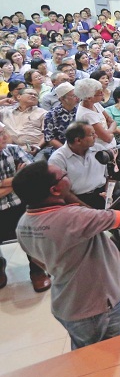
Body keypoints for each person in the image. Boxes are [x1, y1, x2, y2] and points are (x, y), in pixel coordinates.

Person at [14, 156, 120, 349]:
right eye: (63, 175)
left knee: (84, 354)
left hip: (66, 304)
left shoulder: (23, 223)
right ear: (54, 190)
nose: (67, 176)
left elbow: (38, 261)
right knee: (113, 354)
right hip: (98, 306)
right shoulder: (73, 218)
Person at [0, 123, 43, 292]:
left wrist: (6, 184)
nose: (5, 136)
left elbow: (31, 175)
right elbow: (21, 179)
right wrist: (15, 179)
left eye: (4, 132)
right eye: (0, 134)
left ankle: (37, 270)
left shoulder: (13, 150)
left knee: (33, 236)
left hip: (21, 204)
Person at [74, 78, 116, 151]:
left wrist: (109, 132)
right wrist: (112, 131)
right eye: (100, 93)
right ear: (89, 98)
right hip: (100, 151)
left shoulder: (95, 103)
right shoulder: (86, 115)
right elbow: (108, 138)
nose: (103, 94)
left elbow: (111, 120)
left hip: (111, 147)